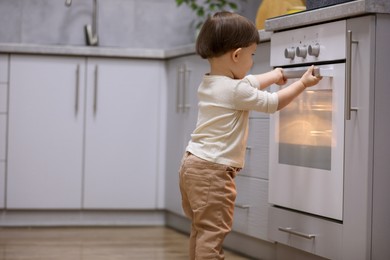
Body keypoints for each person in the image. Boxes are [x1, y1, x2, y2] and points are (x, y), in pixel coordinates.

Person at [178, 11, 322, 260]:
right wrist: (302, 84)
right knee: (213, 233)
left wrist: (276, 75)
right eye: (252, 55)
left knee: (202, 230)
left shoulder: (211, 82)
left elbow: (249, 83)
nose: (252, 61)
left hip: (192, 166)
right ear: (237, 55)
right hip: (212, 172)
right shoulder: (235, 91)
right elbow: (273, 102)